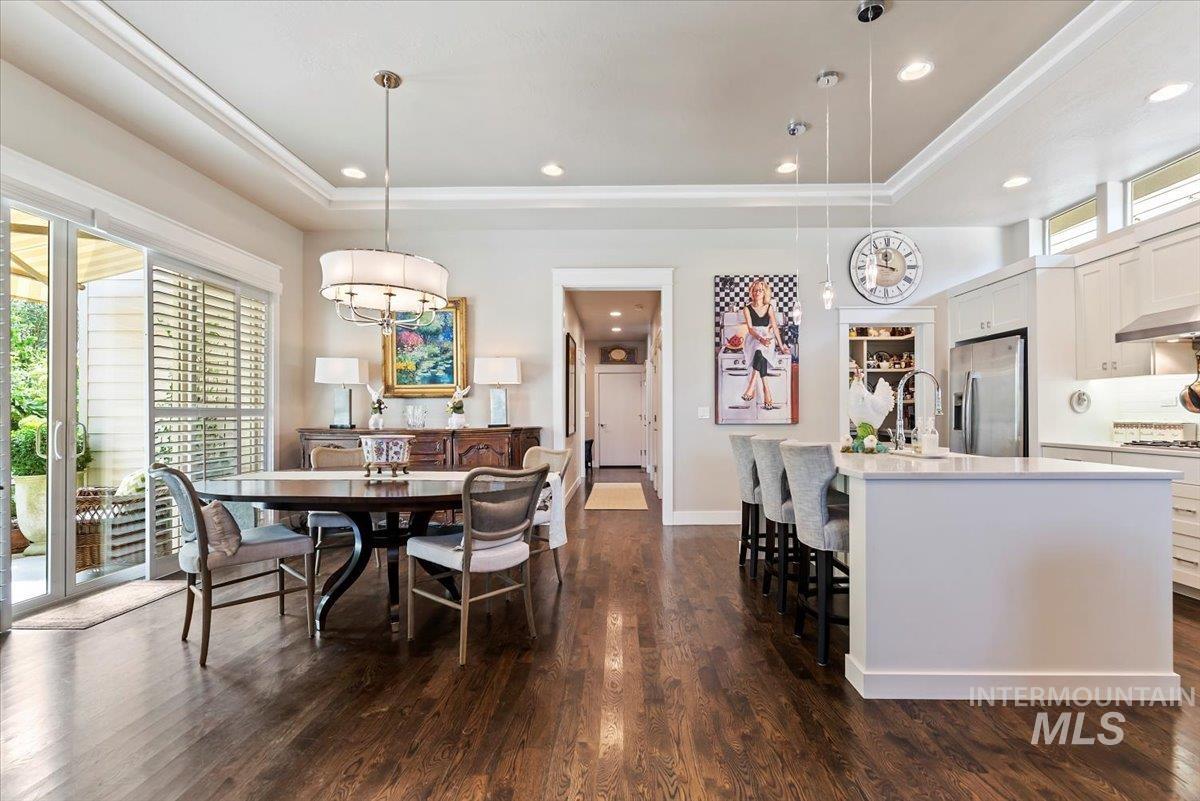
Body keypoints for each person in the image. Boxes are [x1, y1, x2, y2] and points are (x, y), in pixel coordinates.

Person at [740, 279, 787, 410]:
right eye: (754, 290)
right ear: (751, 292)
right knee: (759, 349)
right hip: (753, 339)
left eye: (760, 290)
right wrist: (761, 339)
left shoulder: (769, 307)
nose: (757, 292)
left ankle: (752, 385)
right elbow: (750, 329)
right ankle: (767, 389)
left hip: (767, 338)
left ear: (764, 292)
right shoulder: (747, 308)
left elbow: (775, 328)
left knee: (760, 352)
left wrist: (781, 346)